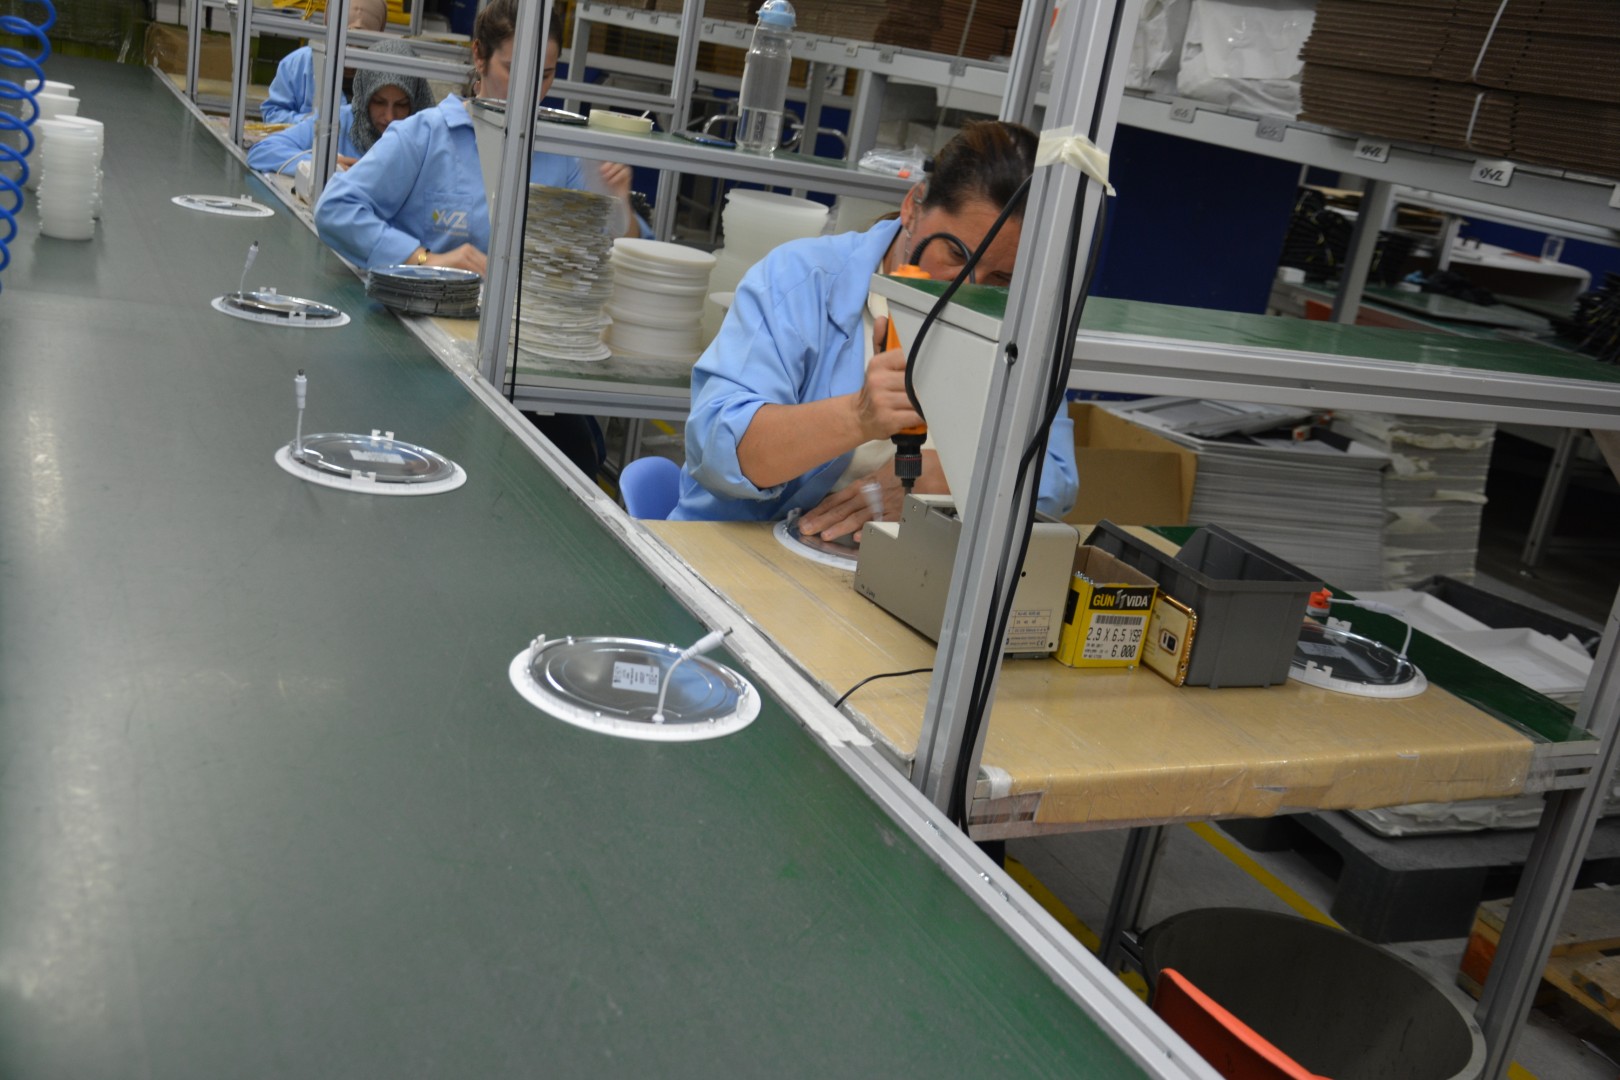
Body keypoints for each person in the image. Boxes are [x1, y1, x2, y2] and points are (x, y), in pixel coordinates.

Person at [672, 120, 1078, 538]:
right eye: (957, 255)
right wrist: (858, 415)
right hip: (736, 547)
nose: (968, 288)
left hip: (891, 563)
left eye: (1002, 278)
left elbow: (1056, 477)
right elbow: (718, 451)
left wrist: (942, 478)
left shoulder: (1016, 321)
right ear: (913, 206)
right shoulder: (799, 280)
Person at [314, 0, 645, 275]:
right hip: (424, 318)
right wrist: (426, 260)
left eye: (545, 75)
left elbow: (616, 251)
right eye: (514, 70)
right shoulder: (425, 136)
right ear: (479, 55)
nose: (531, 90)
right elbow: (335, 209)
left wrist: (619, 205)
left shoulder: (563, 154)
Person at [247, 39, 433, 175]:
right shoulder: (340, 122)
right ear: (364, 96)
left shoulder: (428, 138)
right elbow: (262, 152)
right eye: (379, 102)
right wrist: (321, 165)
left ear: (416, 102)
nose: (389, 117)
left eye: (402, 105)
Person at [260, 0, 390, 126]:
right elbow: (272, 114)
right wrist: (311, 124)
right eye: (346, 43)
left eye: (362, 46)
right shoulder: (297, 64)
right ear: (330, 26)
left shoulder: (387, 74)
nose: (352, 52)